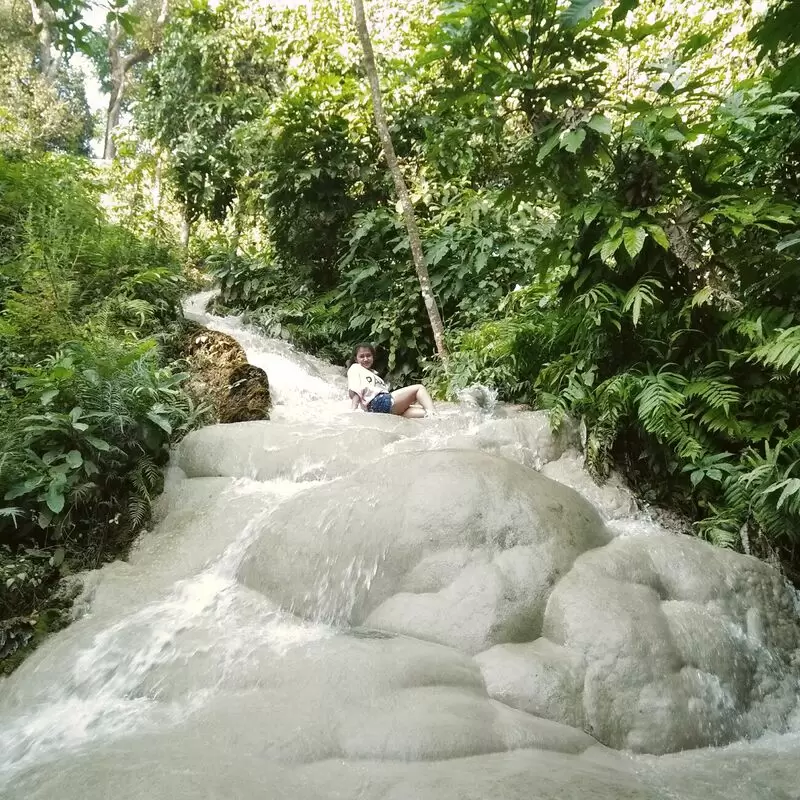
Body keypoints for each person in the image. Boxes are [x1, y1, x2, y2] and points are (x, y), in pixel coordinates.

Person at [346, 343, 435, 418]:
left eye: (368, 355)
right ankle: (434, 413)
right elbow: (356, 390)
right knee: (419, 388)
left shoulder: (374, 374)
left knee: (424, 412)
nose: (366, 359)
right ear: (355, 359)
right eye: (361, 356)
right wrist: (353, 409)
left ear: (373, 357)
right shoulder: (355, 368)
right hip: (380, 402)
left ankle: (434, 416)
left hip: (377, 410)